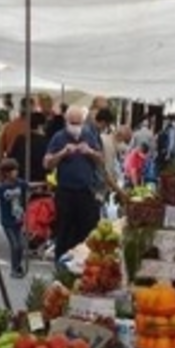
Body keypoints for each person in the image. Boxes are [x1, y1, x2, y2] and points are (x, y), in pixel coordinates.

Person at [44, 105, 104, 257]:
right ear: (66, 121)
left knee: (86, 230)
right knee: (64, 230)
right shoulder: (59, 137)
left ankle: (83, 262)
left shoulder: (90, 136)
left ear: (83, 122)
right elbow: (47, 163)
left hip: (85, 191)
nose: (75, 127)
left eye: (78, 123)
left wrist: (90, 152)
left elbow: (101, 160)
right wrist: (62, 153)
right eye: (72, 123)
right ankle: (61, 264)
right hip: (65, 192)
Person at [0, 158, 29, 277]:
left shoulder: (20, 183)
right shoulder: (2, 188)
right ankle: (14, 269)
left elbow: (29, 185)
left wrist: (44, 183)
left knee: (21, 245)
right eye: (13, 171)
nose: (16, 173)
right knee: (15, 245)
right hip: (7, 222)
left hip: (18, 220)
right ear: (6, 173)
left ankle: (18, 266)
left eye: (16, 170)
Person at [9, 111, 49, 184]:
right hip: (39, 180)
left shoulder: (19, 139)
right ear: (40, 126)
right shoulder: (44, 142)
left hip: (20, 179)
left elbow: (11, 157)